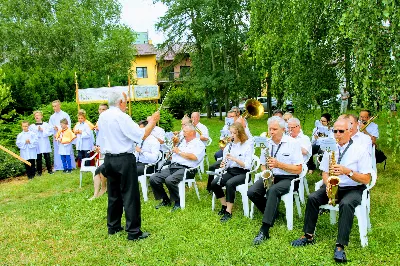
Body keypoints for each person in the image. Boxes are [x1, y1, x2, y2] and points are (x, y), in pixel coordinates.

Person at [291, 118, 372, 263]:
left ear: (350, 131)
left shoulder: (360, 150)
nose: (338, 134)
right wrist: (328, 182)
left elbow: (367, 179)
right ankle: (308, 236)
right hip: (334, 185)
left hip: (354, 187)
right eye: (335, 131)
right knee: (313, 198)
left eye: (341, 131)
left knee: (346, 204)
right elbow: (324, 171)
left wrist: (348, 172)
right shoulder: (331, 148)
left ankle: (340, 246)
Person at [97, 91, 160, 241]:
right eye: (125, 101)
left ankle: (113, 226)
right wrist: (153, 121)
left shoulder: (102, 116)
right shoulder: (121, 116)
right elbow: (141, 135)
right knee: (130, 194)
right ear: (120, 102)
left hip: (109, 159)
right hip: (124, 159)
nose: (126, 104)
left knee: (114, 194)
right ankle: (133, 232)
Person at [247, 116, 303, 245]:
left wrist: (279, 165)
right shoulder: (266, 143)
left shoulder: (293, 143)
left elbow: (298, 169)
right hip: (271, 175)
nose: (271, 132)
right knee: (252, 192)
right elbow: (262, 163)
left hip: (289, 178)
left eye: (274, 129)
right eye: (270, 129)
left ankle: (264, 230)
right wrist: (265, 173)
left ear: (283, 130)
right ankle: (274, 212)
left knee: (272, 190)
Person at [149, 124, 205, 212]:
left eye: (185, 132)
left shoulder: (198, 144)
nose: (183, 134)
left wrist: (179, 152)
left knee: (169, 180)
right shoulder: (182, 142)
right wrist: (172, 151)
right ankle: (165, 200)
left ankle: (177, 202)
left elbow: (194, 157)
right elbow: (172, 156)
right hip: (174, 166)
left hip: (187, 169)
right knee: (153, 178)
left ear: (192, 133)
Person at [210, 122, 253, 222]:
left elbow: (247, 165)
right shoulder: (230, 146)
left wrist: (234, 159)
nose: (231, 136)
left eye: (233, 133)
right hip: (231, 171)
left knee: (230, 184)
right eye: (231, 133)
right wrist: (224, 164)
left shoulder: (247, 145)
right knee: (214, 183)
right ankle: (224, 206)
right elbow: (227, 163)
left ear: (240, 133)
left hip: (243, 173)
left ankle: (229, 212)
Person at [49, 100, 76, 171]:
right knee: (58, 151)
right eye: (53, 106)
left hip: (65, 137)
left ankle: (70, 166)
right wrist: (53, 128)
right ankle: (59, 166)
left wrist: (59, 128)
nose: (54, 108)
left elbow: (68, 125)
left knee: (67, 152)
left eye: (55, 106)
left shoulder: (65, 115)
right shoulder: (52, 117)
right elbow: (50, 126)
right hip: (57, 136)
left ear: (59, 105)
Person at [29, 111, 53, 175]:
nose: (37, 116)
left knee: (47, 157)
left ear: (41, 116)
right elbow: (30, 135)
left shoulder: (46, 125)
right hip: (37, 143)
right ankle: (39, 172)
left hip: (44, 142)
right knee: (38, 158)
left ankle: (50, 170)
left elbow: (50, 132)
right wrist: (37, 130)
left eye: (38, 115)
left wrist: (43, 130)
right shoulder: (32, 126)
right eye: (35, 115)